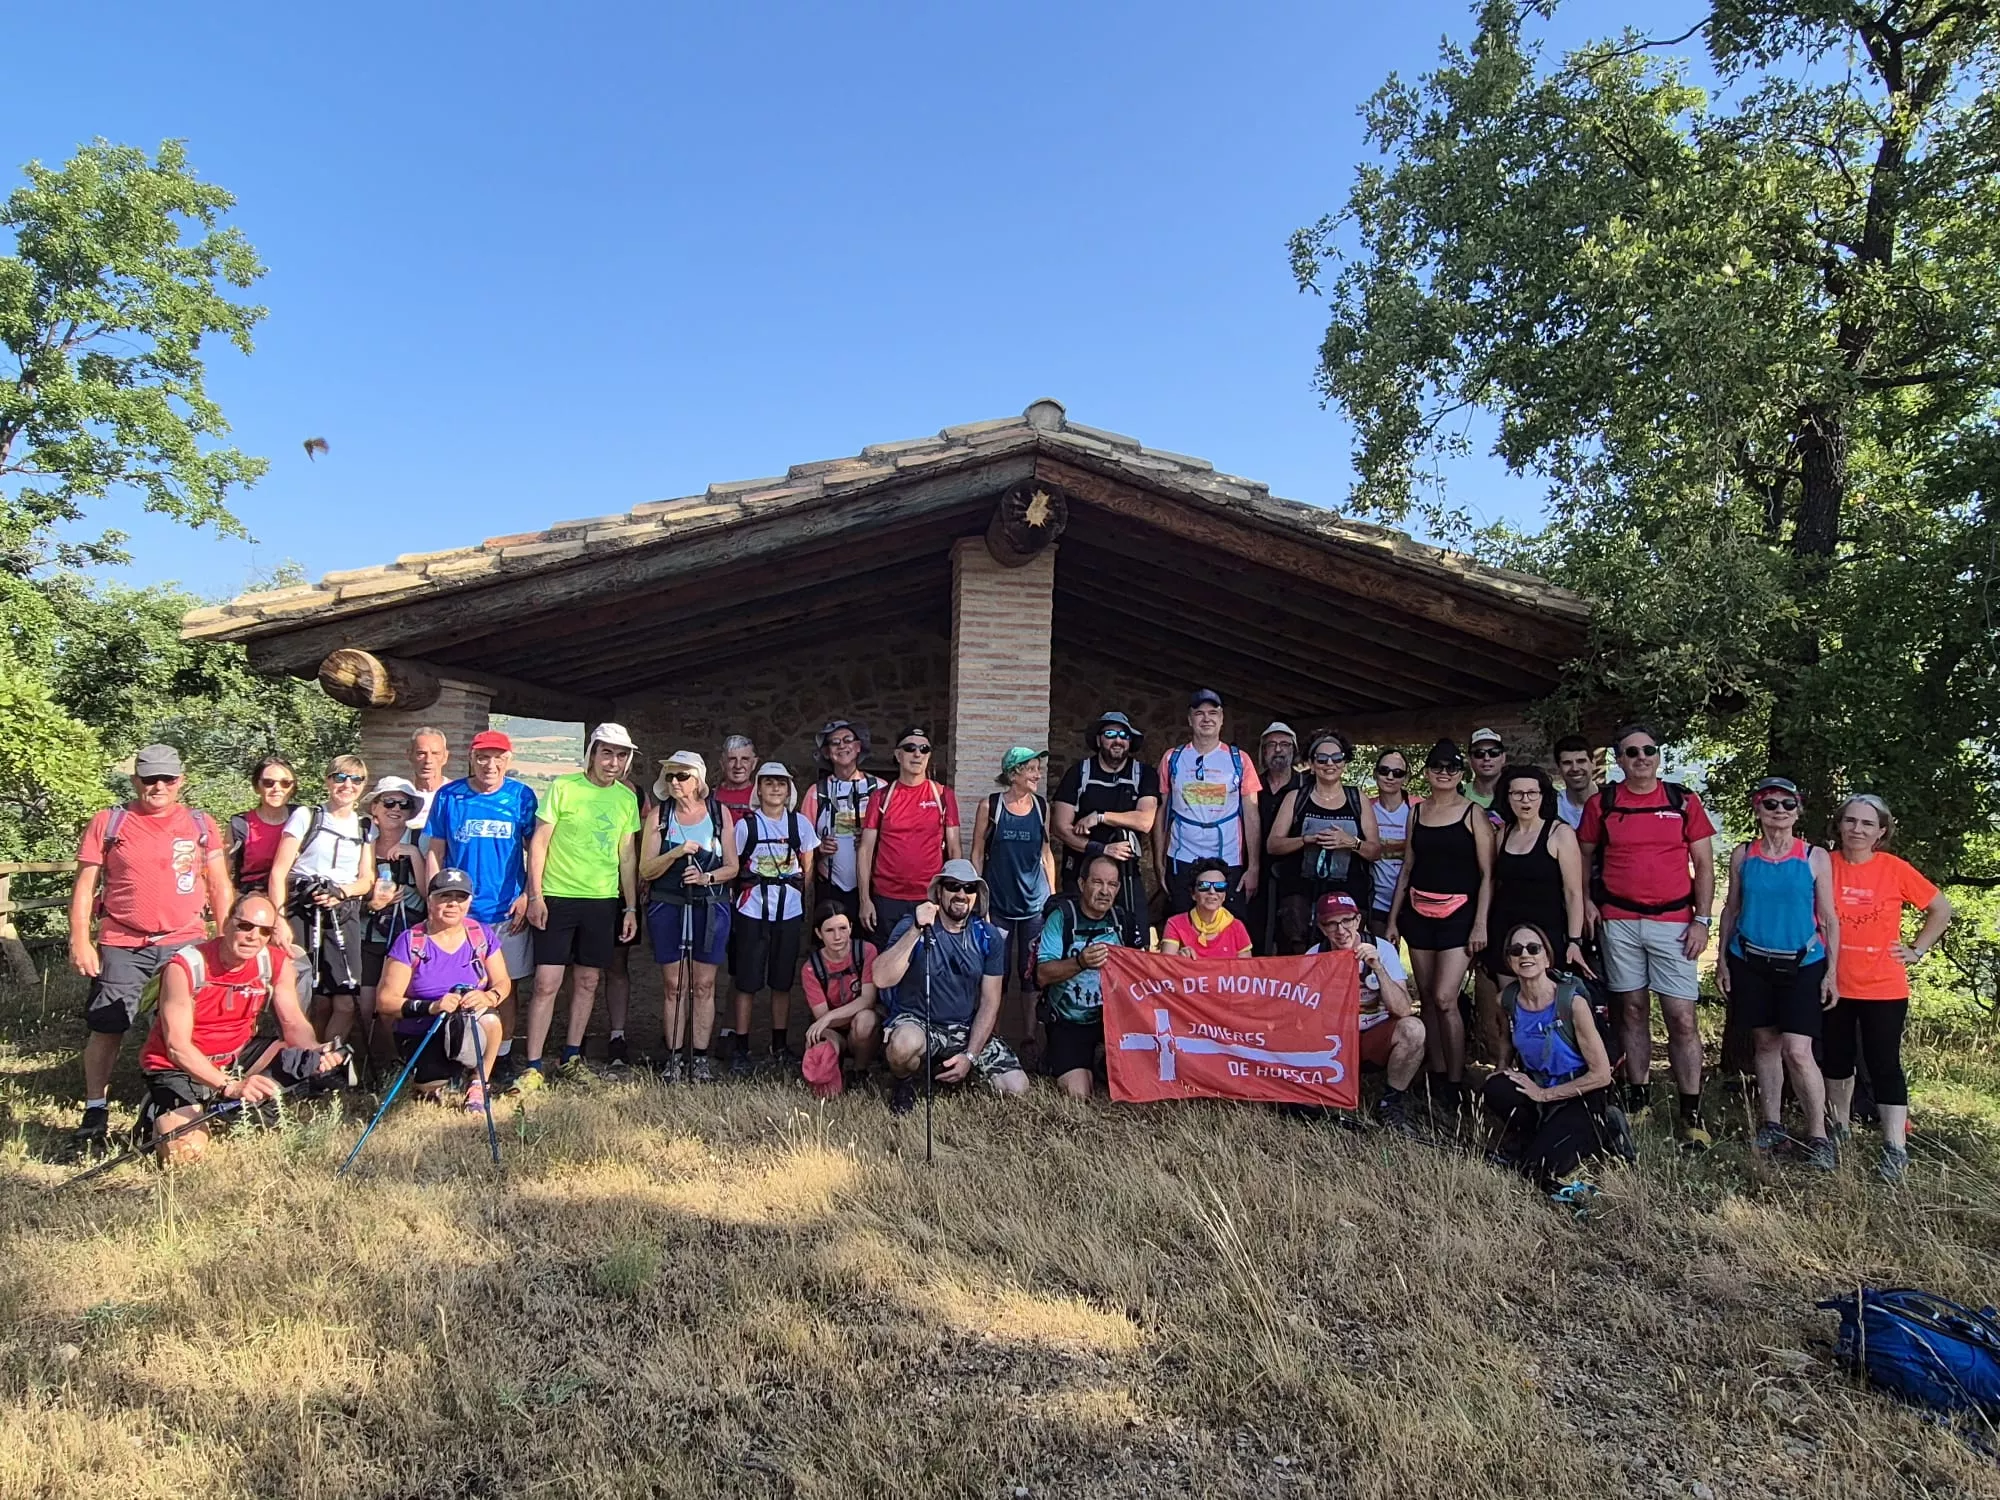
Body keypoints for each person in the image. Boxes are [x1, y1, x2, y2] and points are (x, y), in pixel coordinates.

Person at [66, 744, 233, 1150]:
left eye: (167, 779)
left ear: (181, 781)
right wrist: (80, 940)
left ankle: (180, 1097)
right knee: (109, 1024)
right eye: (149, 778)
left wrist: (226, 939)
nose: (158, 786)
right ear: (135, 779)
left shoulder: (200, 823)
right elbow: (85, 887)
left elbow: (219, 884)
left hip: (185, 941)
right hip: (123, 940)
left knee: (185, 1027)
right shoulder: (109, 822)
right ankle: (95, 1108)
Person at [1578, 724, 1718, 1149]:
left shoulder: (1683, 801)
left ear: (1659, 756)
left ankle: (1690, 1112)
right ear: (1618, 761)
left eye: (1649, 750)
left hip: (1676, 922)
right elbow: (1583, 857)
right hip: (1618, 920)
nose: (1641, 757)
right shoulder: (1603, 804)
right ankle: (1638, 1102)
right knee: (1632, 1011)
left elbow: (1705, 866)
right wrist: (1585, 901)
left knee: (1681, 1017)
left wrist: (1703, 920)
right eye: (1631, 752)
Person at [136, 892, 340, 1163]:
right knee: (185, 1155)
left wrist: (317, 1051)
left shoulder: (275, 962)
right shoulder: (185, 966)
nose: (254, 936)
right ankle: (156, 1112)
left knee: (298, 1060)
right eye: (245, 926)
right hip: (178, 1066)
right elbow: (177, 1048)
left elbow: (293, 1022)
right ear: (226, 923)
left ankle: (222, 1104)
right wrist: (230, 1087)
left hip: (236, 1055)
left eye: (265, 931)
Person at [1824, 794, 1953, 1183]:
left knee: (1884, 1066)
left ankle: (1895, 1148)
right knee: (1835, 1062)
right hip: (1833, 982)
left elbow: (1941, 908)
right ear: (1839, 825)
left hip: (1883, 985)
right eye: (1850, 821)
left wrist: (1916, 949)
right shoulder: (1824, 864)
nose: (1857, 830)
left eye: (1866, 824)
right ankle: (1838, 1134)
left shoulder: (1894, 869)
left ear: (1881, 831)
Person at [1716, 777, 1840, 1171]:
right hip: (1751, 960)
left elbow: (1829, 919)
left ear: (1798, 811)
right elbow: (1731, 908)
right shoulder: (1743, 855)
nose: (1780, 812)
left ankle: (1819, 1134)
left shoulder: (1813, 856)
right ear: (1758, 809)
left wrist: (1831, 972)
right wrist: (1721, 959)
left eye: (1788, 805)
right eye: (1771, 805)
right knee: (1765, 1044)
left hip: (1803, 963)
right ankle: (1772, 1124)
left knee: (1799, 1051)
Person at [520, 723, 642, 1091]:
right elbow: (539, 843)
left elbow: (627, 856)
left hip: (602, 900)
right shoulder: (563, 787)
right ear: (592, 753)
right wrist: (536, 895)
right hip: (557, 896)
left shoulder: (626, 799)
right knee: (546, 983)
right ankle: (533, 1064)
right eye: (607, 753)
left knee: (588, 980)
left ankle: (572, 1055)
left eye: (621, 755)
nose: (613, 762)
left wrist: (630, 907)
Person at [422, 729, 538, 1078]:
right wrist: (435, 897)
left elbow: (537, 850)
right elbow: (435, 851)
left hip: (506, 910)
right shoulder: (450, 796)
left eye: (498, 757)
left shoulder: (521, 797)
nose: (490, 764)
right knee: (458, 986)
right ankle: (458, 1052)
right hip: (461, 911)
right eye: (483, 757)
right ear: (471, 759)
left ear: (508, 760)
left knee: (506, 986)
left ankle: (500, 1056)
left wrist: (528, 895)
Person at [1385, 741, 1493, 1114]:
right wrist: (1393, 919)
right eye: (1437, 766)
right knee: (1428, 997)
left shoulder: (1473, 815)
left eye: (1451, 767)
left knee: (1447, 999)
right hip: (1417, 911)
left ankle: (1456, 1079)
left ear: (1461, 774)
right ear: (1427, 772)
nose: (1444, 772)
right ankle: (1435, 1069)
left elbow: (1487, 874)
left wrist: (1481, 922)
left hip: (1460, 915)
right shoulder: (1416, 813)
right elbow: (1407, 867)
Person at [873, 859, 1030, 1114]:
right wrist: (915, 929)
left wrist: (970, 1056)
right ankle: (904, 1082)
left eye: (969, 889)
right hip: (918, 1020)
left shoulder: (988, 936)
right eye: (953, 886)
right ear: (939, 892)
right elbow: (881, 977)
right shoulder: (912, 924)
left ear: (976, 896)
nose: (961, 894)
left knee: (1017, 1088)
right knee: (902, 1045)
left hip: (963, 1028)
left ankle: (956, 1070)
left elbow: (990, 1002)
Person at [1481, 922, 1620, 1195]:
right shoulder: (1506, 1000)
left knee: (1535, 1168)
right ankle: (1536, 1131)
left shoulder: (1573, 1003)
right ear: (1509, 961)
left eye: (1534, 948)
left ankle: (1607, 1128)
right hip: (1538, 1084)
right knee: (1495, 1088)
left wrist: (1545, 1095)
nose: (1525, 955)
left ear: (1546, 957)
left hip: (1581, 1090)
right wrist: (1502, 1068)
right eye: (1516, 950)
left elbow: (1602, 1074)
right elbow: (1506, 1037)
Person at [372, 868, 511, 1115]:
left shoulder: (480, 935)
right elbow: (385, 1002)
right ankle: (446, 1076)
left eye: (460, 897)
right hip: (423, 1029)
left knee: (490, 1017)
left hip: (467, 1024)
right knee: (433, 1092)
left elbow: (503, 982)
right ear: (430, 900)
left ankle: (479, 1083)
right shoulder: (410, 940)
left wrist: (488, 996)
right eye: (444, 896)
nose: (453, 904)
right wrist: (433, 1006)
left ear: (469, 902)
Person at [640, 750, 738, 1083]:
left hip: (710, 905)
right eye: (670, 777)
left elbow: (733, 867)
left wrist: (707, 878)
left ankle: (699, 1057)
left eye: (682, 776)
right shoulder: (659, 816)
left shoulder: (719, 813)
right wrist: (676, 852)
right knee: (673, 985)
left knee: (705, 984)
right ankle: (674, 1056)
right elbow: (646, 869)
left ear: (698, 779)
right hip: (668, 903)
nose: (675, 783)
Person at [269, 755, 374, 1047]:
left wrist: (342, 892)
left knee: (345, 999)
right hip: (302, 910)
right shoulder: (307, 816)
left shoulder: (365, 826)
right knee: (303, 995)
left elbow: (367, 879)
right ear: (328, 780)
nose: (347, 785)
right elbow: (279, 871)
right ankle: (298, 1059)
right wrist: (278, 921)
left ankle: (329, 1062)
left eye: (355, 779)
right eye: (340, 777)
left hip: (342, 911)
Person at [1303, 892, 1425, 1130]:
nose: (1341, 930)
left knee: (1414, 1030)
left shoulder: (1382, 949)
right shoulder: (1314, 955)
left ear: (1358, 920)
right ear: (1321, 927)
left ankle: (1390, 1103)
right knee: (1306, 1108)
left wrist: (1378, 968)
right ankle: (1319, 1090)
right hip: (1334, 1041)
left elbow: (1403, 1009)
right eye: (1331, 923)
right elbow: (1304, 1015)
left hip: (1373, 1033)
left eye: (1347, 920)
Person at [728, 762, 816, 1076]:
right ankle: (741, 1046)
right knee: (747, 982)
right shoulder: (746, 826)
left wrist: (799, 900)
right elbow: (734, 866)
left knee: (781, 981)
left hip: (788, 912)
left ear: (789, 789)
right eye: (769, 783)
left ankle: (778, 1045)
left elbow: (808, 866)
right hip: (752, 911)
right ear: (759, 788)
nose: (775, 789)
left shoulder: (801, 825)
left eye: (781, 783)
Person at [1035, 854, 1142, 1099]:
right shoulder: (1062, 918)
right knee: (1079, 1093)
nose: (1105, 891)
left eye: (1112, 885)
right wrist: (1080, 962)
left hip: (1110, 1022)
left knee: (1132, 1083)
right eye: (1097, 882)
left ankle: (1101, 1059)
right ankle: (1053, 1059)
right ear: (1082, 884)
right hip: (1068, 1021)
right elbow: (1042, 975)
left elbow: (1142, 971)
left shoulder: (1122, 920)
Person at [970, 747, 1057, 1046]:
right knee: (998, 972)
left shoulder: (1042, 807)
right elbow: (978, 854)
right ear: (1013, 774)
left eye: (1037, 768)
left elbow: (1046, 854)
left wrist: (1053, 899)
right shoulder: (990, 806)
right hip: (999, 905)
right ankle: (993, 1039)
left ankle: (1030, 1039)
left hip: (1035, 905)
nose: (1037, 775)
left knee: (1031, 973)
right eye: (1031, 769)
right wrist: (978, 900)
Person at [1153, 689, 1263, 920]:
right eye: (1199, 713)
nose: (1206, 719)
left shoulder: (1239, 760)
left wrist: (1253, 867)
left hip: (1228, 857)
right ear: (1189, 719)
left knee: (1229, 928)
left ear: (1222, 719)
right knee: (1183, 925)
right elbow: (1162, 812)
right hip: (1182, 857)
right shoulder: (1172, 758)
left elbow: (1251, 814)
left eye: (1213, 713)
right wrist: (1158, 862)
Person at [1268, 730, 1381, 953]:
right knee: (1298, 954)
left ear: (1344, 762)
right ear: (1311, 762)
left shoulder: (1358, 799)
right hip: (1300, 898)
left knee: (1341, 953)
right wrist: (1305, 840)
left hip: (1347, 896)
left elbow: (1375, 851)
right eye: (1322, 758)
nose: (1330, 764)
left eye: (1336, 758)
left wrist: (1351, 842)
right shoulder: (1296, 798)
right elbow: (1273, 844)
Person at [1050, 711, 1160, 936]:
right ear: (1099, 739)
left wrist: (1100, 816)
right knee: (1077, 935)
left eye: (1124, 735)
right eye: (1110, 733)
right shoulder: (1079, 773)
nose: (1117, 740)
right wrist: (1102, 849)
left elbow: (1145, 820)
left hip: (1125, 874)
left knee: (1135, 936)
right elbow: (1060, 827)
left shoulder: (1144, 774)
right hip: (1081, 872)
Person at [1486, 766, 1592, 984]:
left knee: (1546, 1004)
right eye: (1517, 793)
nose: (1525, 800)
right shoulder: (1503, 834)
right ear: (1507, 797)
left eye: (1532, 793)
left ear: (1543, 796)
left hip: (1547, 932)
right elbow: (1493, 883)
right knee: (1509, 1004)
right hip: (1505, 930)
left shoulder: (1560, 833)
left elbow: (1573, 893)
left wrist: (1574, 941)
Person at [858, 725, 961, 942]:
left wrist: (953, 895)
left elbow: (954, 850)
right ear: (897, 754)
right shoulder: (881, 797)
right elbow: (865, 850)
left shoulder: (943, 795)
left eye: (924, 749)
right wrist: (864, 900)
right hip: (886, 899)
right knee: (885, 966)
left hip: (929, 897)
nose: (917, 754)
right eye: (910, 748)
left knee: (927, 967)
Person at [357, 776, 429, 1068]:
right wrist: (372, 902)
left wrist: (414, 857)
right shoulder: (361, 844)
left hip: (406, 937)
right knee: (365, 1005)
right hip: (368, 934)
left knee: (395, 1005)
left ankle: (399, 1062)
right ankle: (370, 1063)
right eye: (389, 802)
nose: (396, 808)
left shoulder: (420, 840)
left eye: (404, 803)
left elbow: (429, 894)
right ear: (375, 807)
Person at [799, 720, 882, 930]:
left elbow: (895, 838)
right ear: (827, 752)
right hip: (830, 886)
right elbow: (801, 842)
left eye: (847, 740)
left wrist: (872, 841)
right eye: (834, 743)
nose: (842, 746)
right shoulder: (815, 793)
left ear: (858, 746)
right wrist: (818, 849)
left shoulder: (880, 789)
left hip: (874, 885)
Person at [801, 902, 881, 1073]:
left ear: (851, 928)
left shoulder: (866, 951)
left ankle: (860, 1071)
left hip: (858, 1027)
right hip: (833, 1030)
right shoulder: (811, 968)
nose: (838, 936)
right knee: (817, 1041)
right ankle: (834, 1072)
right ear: (818, 933)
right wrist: (827, 1021)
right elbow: (820, 1016)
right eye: (829, 931)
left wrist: (829, 1017)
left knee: (866, 1020)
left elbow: (868, 1000)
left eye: (843, 928)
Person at [1252, 723, 1305, 954]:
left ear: (1293, 750)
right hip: (1256, 874)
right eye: (1272, 745)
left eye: (1284, 745)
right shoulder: (1251, 786)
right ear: (1263, 751)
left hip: (1296, 878)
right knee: (1256, 938)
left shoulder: (1307, 787)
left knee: (1293, 944)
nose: (1278, 750)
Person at [228, 755, 299, 894]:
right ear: (257, 787)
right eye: (268, 782)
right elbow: (223, 873)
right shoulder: (240, 825)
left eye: (285, 783)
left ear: (292, 787)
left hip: (296, 896)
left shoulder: (305, 818)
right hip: (254, 895)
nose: (277, 788)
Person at [1366, 750, 1417, 939]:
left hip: (1413, 901)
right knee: (1385, 959)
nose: (1390, 777)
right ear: (1375, 773)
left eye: (1397, 773)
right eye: (1384, 770)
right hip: (1376, 900)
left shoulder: (1418, 808)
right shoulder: (1365, 807)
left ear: (1406, 777)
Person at [1159, 858, 1255, 959]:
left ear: (1225, 895)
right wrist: (1179, 958)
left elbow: (1245, 970)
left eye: (1220, 886)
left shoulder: (1237, 927)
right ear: (1193, 894)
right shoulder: (1175, 924)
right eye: (1204, 886)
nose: (1212, 891)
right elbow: (1166, 966)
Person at [406, 726, 451, 827]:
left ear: (445, 757)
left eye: (435, 753)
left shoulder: (456, 795)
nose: (428, 760)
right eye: (421, 753)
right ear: (409, 755)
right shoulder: (401, 796)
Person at [1552, 736, 1598, 831]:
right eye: (1567, 763)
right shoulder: (1550, 806)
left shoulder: (1611, 801)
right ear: (1558, 768)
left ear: (1593, 764)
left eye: (1581, 761)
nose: (1575, 768)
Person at [713, 734, 759, 822]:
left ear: (754, 763)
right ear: (722, 763)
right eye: (732, 759)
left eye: (745, 759)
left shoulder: (763, 797)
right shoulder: (709, 797)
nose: (738, 766)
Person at [1465, 727, 1508, 811]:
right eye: (1479, 753)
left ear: (1503, 757)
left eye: (1494, 753)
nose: (1487, 758)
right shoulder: (1459, 794)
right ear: (1470, 760)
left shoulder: (1516, 793)